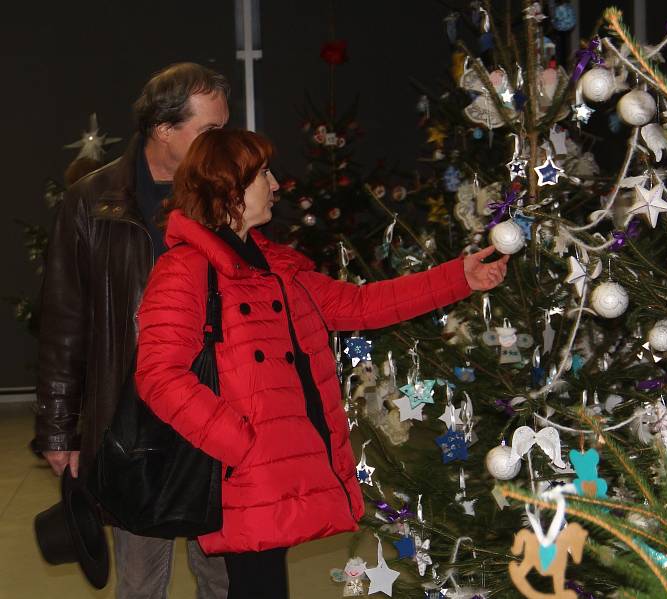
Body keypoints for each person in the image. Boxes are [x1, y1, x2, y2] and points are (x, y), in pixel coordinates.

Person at [134, 128, 509, 599]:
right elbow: (158, 375)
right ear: (229, 187)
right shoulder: (185, 269)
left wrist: (459, 277)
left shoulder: (276, 265)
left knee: (264, 584)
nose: (275, 185)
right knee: (258, 584)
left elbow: (361, 305)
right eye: (263, 174)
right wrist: (237, 443)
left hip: (281, 462)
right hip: (243, 468)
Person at [34, 63, 231, 599]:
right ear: (164, 129)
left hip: (218, 418)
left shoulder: (227, 195)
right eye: (210, 130)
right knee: (142, 581)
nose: (223, 143)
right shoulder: (91, 203)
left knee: (223, 575)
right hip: (132, 427)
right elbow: (63, 323)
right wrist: (59, 432)